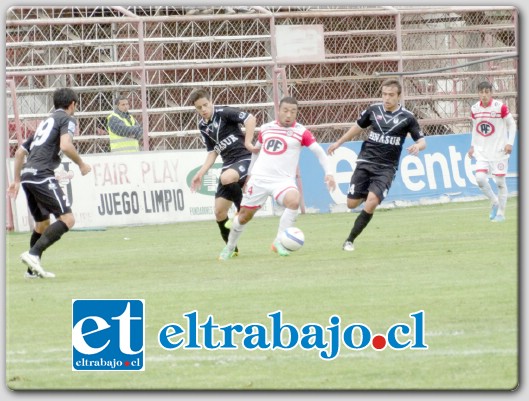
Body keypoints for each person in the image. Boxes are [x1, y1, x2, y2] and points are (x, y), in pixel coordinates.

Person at [218, 96, 336, 260]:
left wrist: (328, 173)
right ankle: (230, 247)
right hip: (260, 179)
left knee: (294, 201)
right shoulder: (266, 128)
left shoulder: (301, 132)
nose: (289, 115)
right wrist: (249, 176)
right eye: (286, 110)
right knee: (244, 217)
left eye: (293, 112)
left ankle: (278, 241)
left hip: (283, 181)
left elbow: (319, 152)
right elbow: (255, 153)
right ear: (278, 111)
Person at [327, 78, 426, 252]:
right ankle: (369, 193)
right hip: (366, 161)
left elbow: (422, 141)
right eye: (384, 94)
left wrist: (417, 146)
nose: (387, 98)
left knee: (371, 202)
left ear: (399, 96)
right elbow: (357, 127)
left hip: (387, 168)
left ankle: (349, 240)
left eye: (391, 95)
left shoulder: (408, 118)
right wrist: (338, 143)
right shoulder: (373, 110)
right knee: (351, 204)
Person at [7, 87, 92, 278]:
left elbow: (20, 152)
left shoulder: (45, 122)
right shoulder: (67, 119)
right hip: (42, 175)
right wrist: (81, 164)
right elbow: (65, 145)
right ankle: (33, 254)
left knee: (42, 224)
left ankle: (31, 271)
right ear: (72, 104)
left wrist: (17, 180)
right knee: (68, 219)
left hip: (28, 175)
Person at [189, 89, 257, 255]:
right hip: (228, 164)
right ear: (196, 109)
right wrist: (201, 172)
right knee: (219, 212)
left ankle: (242, 211)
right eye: (199, 107)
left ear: (211, 101)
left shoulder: (224, 113)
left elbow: (250, 119)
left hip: (244, 158)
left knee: (226, 177)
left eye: (206, 105)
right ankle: (231, 248)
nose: (203, 109)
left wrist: (248, 142)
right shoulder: (203, 126)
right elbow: (213, 152)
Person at [467, 81, 517, 222]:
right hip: (482, 152)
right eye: (481, 92)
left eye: (487, 92)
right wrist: (472, 146)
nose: (484, 95)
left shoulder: (500, 107)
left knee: (500, 182)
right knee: (480, 179)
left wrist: (509, 143)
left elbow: (512, 124)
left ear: (491, 93)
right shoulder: (474, 109)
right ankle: (494, 201)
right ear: (478, 93)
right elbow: (475, 129)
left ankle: (501, 213)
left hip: (499, 152)